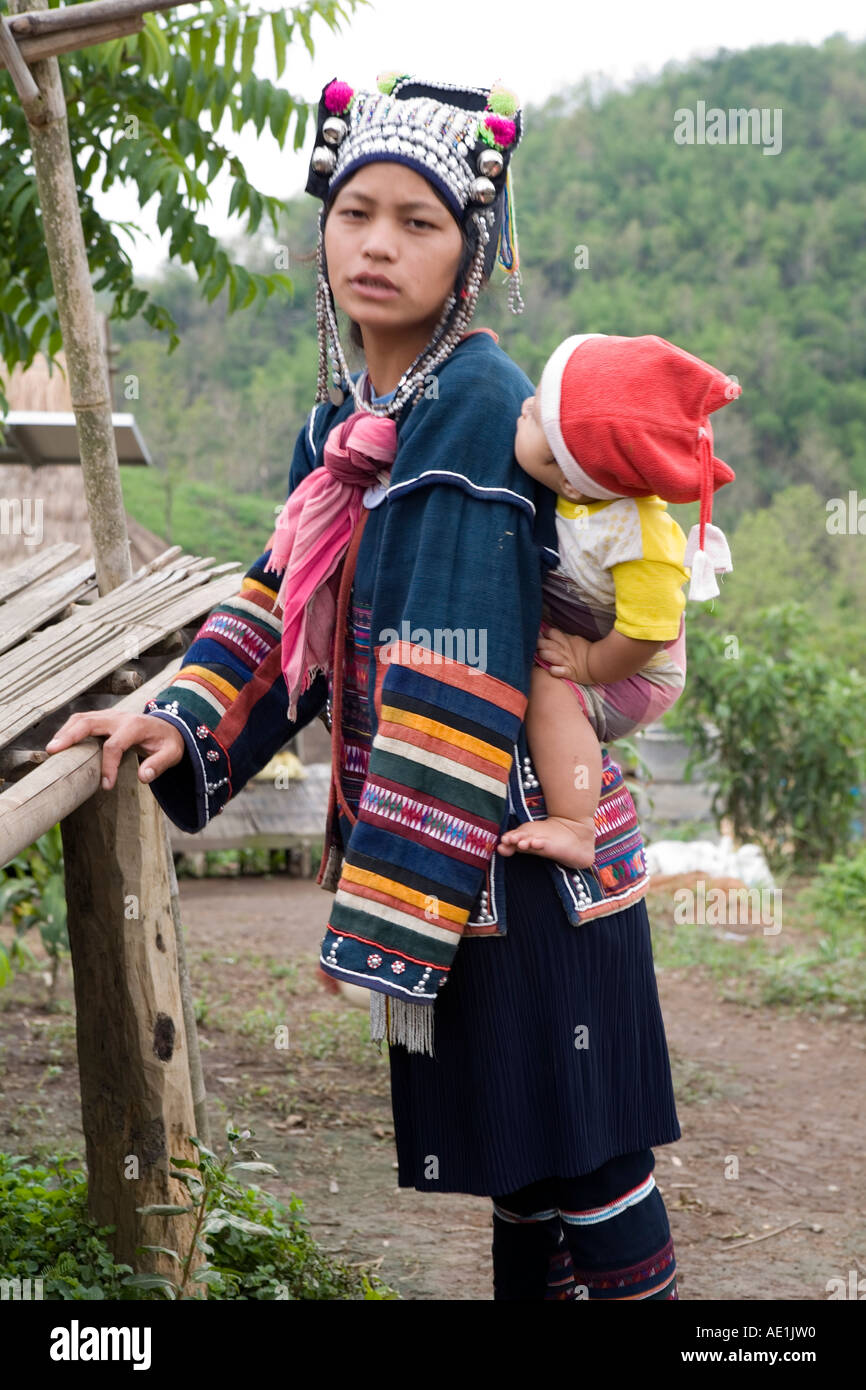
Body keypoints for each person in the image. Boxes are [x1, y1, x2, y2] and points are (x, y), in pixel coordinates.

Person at [45, 71, 682, 1300]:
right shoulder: (344, 423)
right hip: (458, 863)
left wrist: (402, 882)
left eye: (419, 222)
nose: (378, 244)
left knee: (587, 1162)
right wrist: (173, 714)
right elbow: (282, 602)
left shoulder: (482, 408)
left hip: (523, 861)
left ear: (470, 253)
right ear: (323, 225)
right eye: (355, 212)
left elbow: (449, 649)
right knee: (519, 1162)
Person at [499, 332, 740, 869]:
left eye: (540, 417)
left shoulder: (639, 537)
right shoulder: (574, 490)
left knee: (549, 687)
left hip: (635, 671)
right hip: (598, 636)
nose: (525, 406)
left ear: (572, 479)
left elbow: (649, 632)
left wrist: (588, 665)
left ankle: (575, 823)